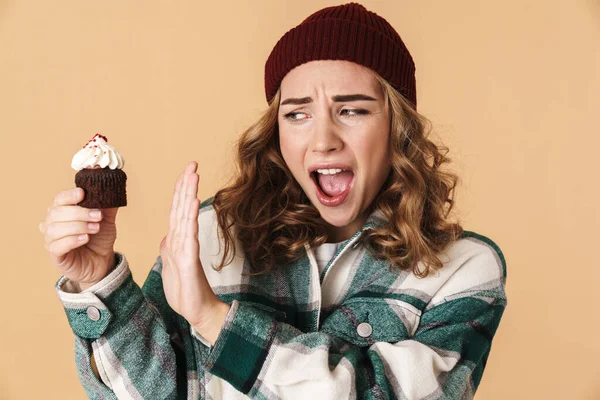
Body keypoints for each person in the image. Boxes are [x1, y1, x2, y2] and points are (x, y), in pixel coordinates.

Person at [39, 2, 507, 399]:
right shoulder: (210, 238)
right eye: (298, 113)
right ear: (276, 132)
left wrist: (215, 320)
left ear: (397, 127)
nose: (323, 140)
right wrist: (98, 279)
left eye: (352, 110)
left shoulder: (464, 271)